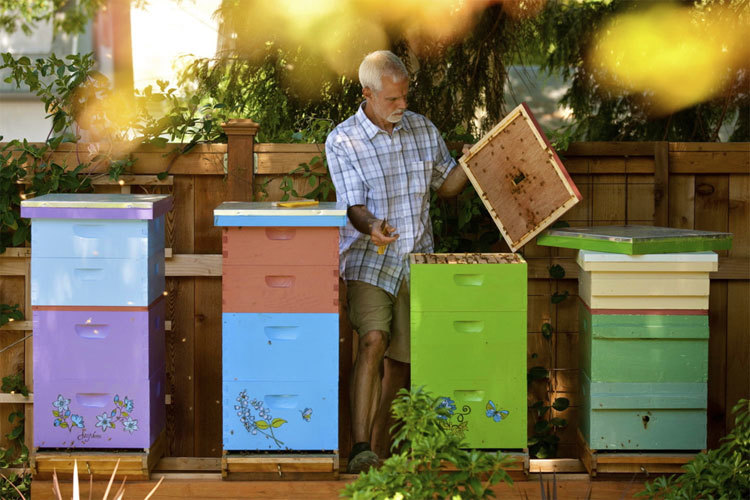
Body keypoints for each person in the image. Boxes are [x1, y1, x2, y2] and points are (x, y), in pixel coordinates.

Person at [325, 50, 470, 474]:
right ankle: (359, 447)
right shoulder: (343, 139)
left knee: (402, 361)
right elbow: (353, 205)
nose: (402, 105)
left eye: (405, 96)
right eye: (392, 99)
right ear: (367, 94)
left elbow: (446, 186)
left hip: (417, 259)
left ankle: (386, 454)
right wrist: (372, 227)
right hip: (370, 258)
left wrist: (475, 160)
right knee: (373, 339)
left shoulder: (422, 129)